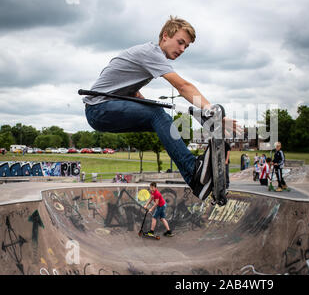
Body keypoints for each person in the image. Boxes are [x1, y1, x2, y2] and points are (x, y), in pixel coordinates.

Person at [82, 16, 238, 202]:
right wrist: (212, 111)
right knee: (157, 115)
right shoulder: (151, 53)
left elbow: (133, 94)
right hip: (98, 109)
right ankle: (193, 172)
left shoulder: (145, 55)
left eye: (186, 46)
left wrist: (144, 103)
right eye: (180, 42)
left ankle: (199, 173)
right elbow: (182, 86)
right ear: (165, 36)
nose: (182, 49)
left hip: (104, 110)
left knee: (161, 119)